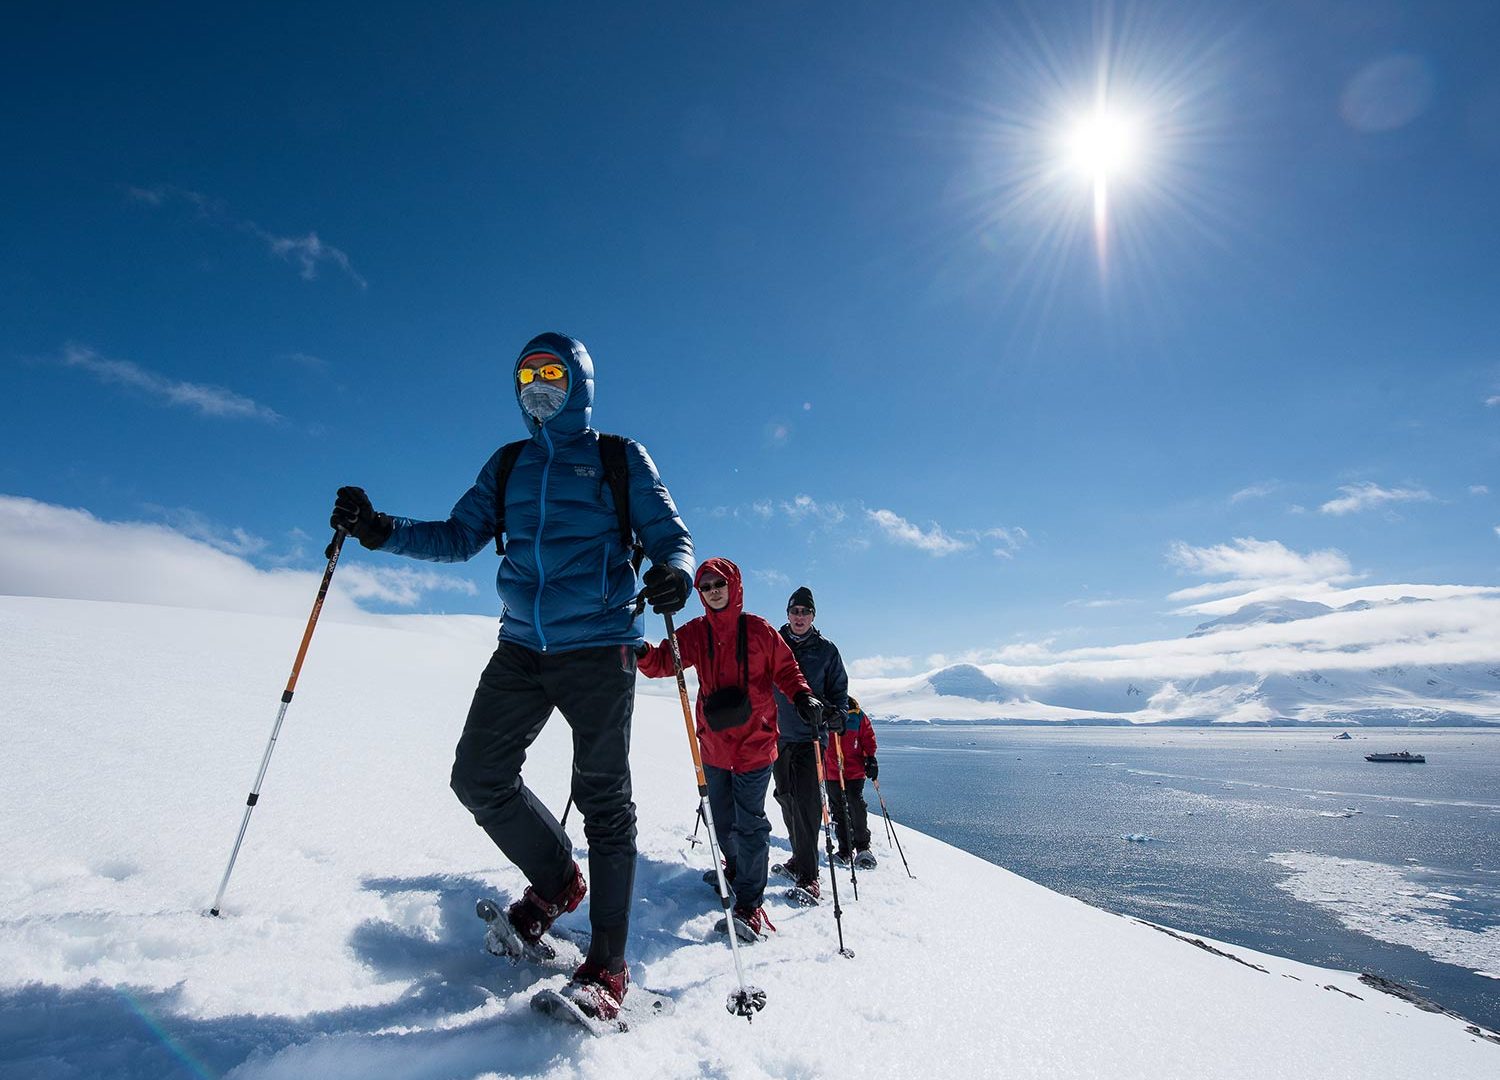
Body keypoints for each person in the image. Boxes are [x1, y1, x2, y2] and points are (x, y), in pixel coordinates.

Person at [328, 332, 693, 1021]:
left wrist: (671, 570)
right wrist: (379, 528)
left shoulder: (618, 458)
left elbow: (668, 530)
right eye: (528, 376)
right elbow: (457, 536)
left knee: (604, 803)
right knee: (477, 775)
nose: (539, 387)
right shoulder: (509, 464)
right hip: (522, 645)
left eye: (552, 373)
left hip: (602, 643)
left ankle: (607, 967)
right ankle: (556, 884)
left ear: (579, 381)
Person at [637, 558, 822, 940]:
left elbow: (786, 670)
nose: (713, 590)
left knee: (749, 822)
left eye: (718, 583)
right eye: (705, 586)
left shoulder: (759, 631)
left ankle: (751, 905)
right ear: (699, 594)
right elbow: (661, 662)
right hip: (714, 746)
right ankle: (737, 869)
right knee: (721, 820)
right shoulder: (695, 633)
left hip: (755, 744)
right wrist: (638, 650)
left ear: (733, 584)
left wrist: (802, 696)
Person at [770, 586, 849, 903]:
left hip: (810, 738)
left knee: (807, 804)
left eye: (805, 612)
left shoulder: (826, 650)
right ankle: (799, 859)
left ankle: (810, 876)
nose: (799, 617)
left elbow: (840, 693)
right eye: (794, 611)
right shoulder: (774, 644)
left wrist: (836, 714)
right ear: (787, 614)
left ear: (813, 616)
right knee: (785, 798)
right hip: (777, 735)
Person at [824, 694, 879, 870]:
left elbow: (868, 737)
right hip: (832, 771)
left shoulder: (857, 715)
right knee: (838, 809)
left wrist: (871, 758)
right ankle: (845, 850)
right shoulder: (824, 712)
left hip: (854, 770)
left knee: (856, 804)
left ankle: (863, 847)